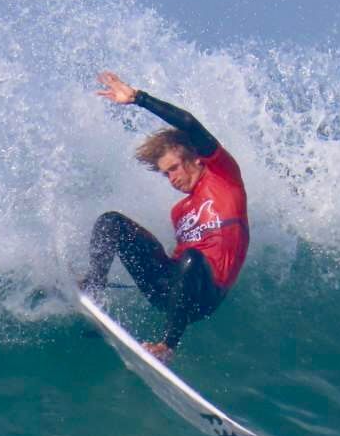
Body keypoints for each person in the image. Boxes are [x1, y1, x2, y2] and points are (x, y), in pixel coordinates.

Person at [80, 70, 249, 363]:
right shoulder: (180, 211)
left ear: (195, 158)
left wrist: (138, 99)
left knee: (192, 259)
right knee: (112, 222)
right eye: (164, 173)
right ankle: (94, 292)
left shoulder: (225, 177)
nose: (170, 178)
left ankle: (167, 345)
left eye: (173, 168)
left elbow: (188, 123)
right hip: (171, 289)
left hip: (204, 295)